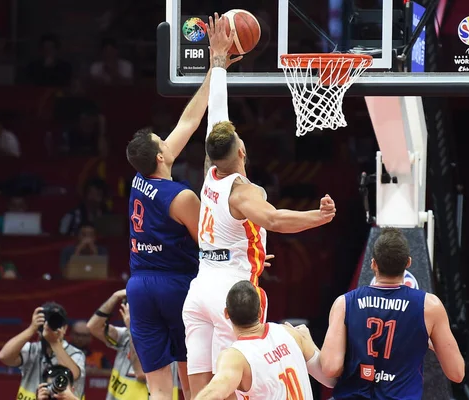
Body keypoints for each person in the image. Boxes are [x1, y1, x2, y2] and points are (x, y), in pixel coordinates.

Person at [182, 14, 336, 398]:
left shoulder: (210, 174)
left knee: (200, 388)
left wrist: (217, 64)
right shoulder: (242, 189)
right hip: (229, 293)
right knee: (230, 387)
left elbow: (217, 117)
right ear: (243, 151)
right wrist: (317, 217)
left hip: (199, 288)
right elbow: (275, 219)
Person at [124, 16, 238, 400]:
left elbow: (189, 120)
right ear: (161, 155)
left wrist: (215, 70)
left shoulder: (140, 179)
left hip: (139, 286)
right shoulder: (181, 197)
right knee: (193, 385)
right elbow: (208, 244)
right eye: (163, 140)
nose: (168, 140)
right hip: (176, 285)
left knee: (157, 390)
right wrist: (244, 253)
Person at [320, 228, 465, 399]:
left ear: (373, 264)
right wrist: (431, 342)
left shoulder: (344, 303)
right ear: (408, 263)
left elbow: (330, 368)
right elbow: (456, 373)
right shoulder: (430, 306)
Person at [194, 280, 336, 400]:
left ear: (226, 314)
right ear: (260, 311)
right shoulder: (291, 333)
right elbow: (330, 379)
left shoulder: (235, 357)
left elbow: (215, 391)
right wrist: (309, 341)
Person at [88, 289, 181, 400]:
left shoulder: (163, 342)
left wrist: (133, 328)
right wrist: (114, 297)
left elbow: (140, 373)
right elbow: (93, 326)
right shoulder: (125, 336)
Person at [0, 302, 86, 399]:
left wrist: (54, 342)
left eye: (56, 322)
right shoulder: (32, 349)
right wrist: (32, 328)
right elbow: (4, 356)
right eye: (46, 322)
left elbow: (73, 374)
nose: (50, 327)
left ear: (65, 328)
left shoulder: (76, 354)